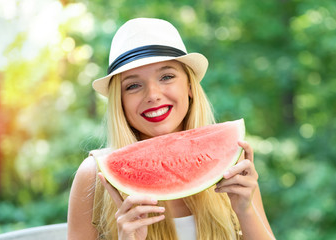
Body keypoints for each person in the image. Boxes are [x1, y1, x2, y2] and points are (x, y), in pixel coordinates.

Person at [68, 18, 275, 240]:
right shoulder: (94, 176)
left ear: (189, 86)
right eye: (133, 86)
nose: (153, 95)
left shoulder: (231, 159)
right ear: (120, 101)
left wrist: (245, 211)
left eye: (166, 77)